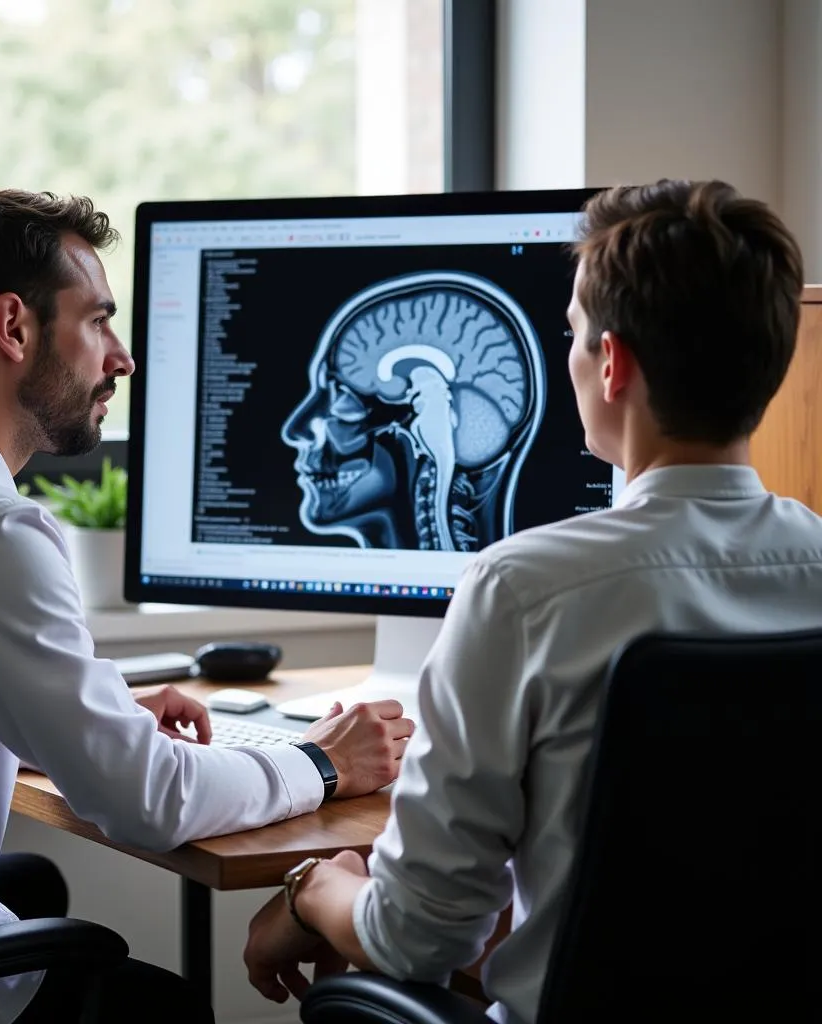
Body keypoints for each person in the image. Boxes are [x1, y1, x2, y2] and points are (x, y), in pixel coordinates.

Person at [0, 189, 414, 1024]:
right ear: (12, 328)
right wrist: (322, 763)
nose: (120, 359)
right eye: (97, 322)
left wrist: (97, 702)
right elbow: (146, 802)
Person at [242, 179, 822, 1023]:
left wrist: (309, 896)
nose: (574, 355)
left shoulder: (522, 590)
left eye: (575, 336)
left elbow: (417, 941)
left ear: (613, 363)